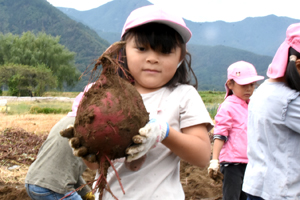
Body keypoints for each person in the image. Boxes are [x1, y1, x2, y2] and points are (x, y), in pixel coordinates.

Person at [69, 5, 214, 200]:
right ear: (123, 51)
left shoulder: (183, 96)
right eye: (142, 48)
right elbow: (97, 166)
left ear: (180, 57)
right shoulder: (102, 95)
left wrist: (164, 133)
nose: (153, 59)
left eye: (165, 52)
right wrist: (87, 152)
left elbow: (202, 156)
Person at [242, 23, 300, 200]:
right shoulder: (288, 99)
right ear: (298, 64)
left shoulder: (266, 90)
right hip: (282, 191)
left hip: (260, 185)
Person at [25, 86, 94, 200]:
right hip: (52, 187)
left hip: (33, 182)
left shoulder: (67, 120)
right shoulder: (86, 128)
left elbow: (68, 168)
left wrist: (86, 192)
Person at [207, 61, 264, 200]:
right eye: (244, 85)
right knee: (232, 196)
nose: (249, 89)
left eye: (252, 85)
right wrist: (214, 160)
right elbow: (220, 134)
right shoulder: (228, 107)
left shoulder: (251, 106)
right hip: (232, 164)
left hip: (250, 162)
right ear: (230, 84)